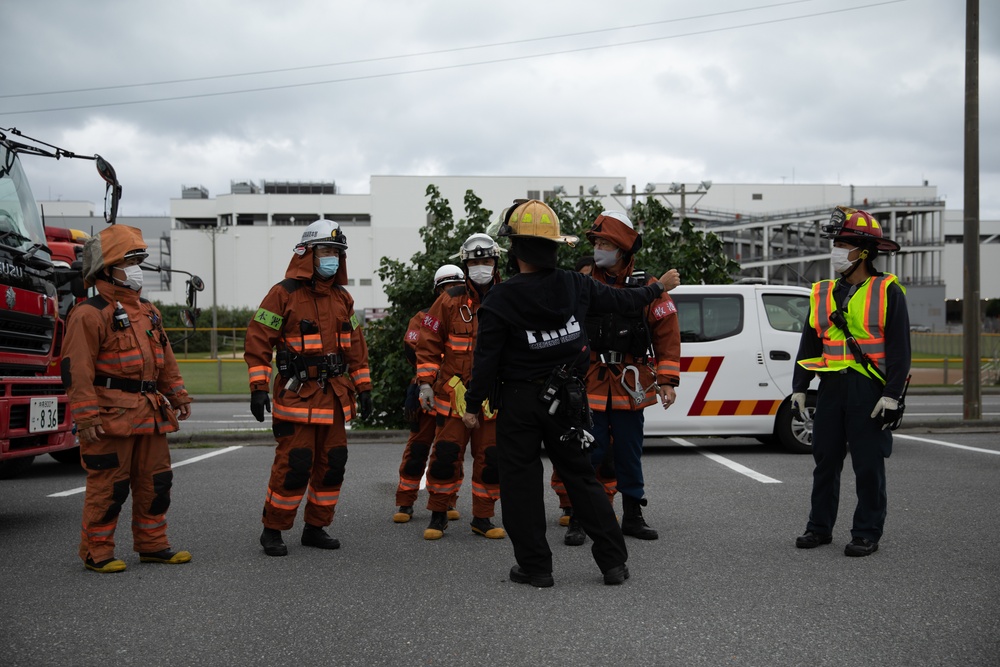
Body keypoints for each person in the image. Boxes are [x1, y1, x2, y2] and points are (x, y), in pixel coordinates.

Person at [462, 199, 680, 587]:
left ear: (515, 250)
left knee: (521, 485)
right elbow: (625, 301)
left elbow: (485, 361)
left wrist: (474, 405)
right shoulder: (577, 284)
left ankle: (535, 568)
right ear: (553, 246)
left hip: (520, 403)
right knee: (582, 477)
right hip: (569, 398)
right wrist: (657, 288)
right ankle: (613, 562)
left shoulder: (501, 299)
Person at [63, 224, 193, 573]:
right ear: (107, 269)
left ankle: (152, 545)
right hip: (110, 418)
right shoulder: (89, 314)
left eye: (139, 259)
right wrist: (86, 416)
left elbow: (164, 357)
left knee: (156, 483)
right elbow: (77, 370)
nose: (137, 268)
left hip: (149, 413)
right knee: (110, 486)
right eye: (130, 260)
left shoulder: (148, 310)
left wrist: (177, 393)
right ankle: (97, 552)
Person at [244, 219, 373, 557]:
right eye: (326, 251)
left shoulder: (343, 298)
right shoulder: (282, 294)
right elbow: (258, 340)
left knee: (333, 463)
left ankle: (316, 527)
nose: (332, 258)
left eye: (336, 252)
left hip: (333, 397)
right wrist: (258, 386)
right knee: (295, 464)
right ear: (307, 253)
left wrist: (365, 388)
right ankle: (272, 529)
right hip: (296, 395)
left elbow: (356, 345)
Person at [792, 206, 910, 557]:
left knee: (868, 464)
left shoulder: (888, 291)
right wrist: (800, 385)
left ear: (864, 251)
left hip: (868, 390)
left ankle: (866, 532)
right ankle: (819, 528)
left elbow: (900, 350)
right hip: (831, 388)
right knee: (825, 460)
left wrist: (892, 396)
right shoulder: (822, 291)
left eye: (844, 243)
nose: (836, 250)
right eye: (837, 242)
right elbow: (810, 342)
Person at [559, 210, 681, 545]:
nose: (597, 247)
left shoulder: (649, 286)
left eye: (603, 242)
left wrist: (668, 380)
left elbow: (667, 334)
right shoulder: (583, 283)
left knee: (628, 452)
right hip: (590, 381)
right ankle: (579, 517)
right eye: (596, 241)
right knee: (588, 452)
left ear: (623, 248)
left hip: (631, 383)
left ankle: (633, 516)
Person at [415, 233, 506, 541]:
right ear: (466, 265)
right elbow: (428, 343)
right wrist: (425, 384)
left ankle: (483, 517)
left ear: (496, 263)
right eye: (475, 261)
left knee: (491, 459)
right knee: (445, 456)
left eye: (487, 261)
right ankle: (438, 514)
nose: (481, 266)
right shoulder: (449, 299)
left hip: (493, 396)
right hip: (453, 394)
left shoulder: (507, 297)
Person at [393, 264, 466, 523]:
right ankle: (405, 501)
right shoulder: (423, 316)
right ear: (438, 291)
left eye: (458, 285)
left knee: (450, 450)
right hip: (426, 391)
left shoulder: (471, 315)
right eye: (448, 287)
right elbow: (413, 346)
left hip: (453, 392)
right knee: (418, 449)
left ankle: (447, 501)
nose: (453, 291)